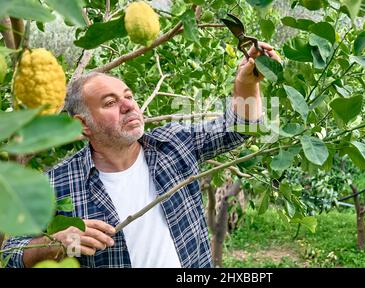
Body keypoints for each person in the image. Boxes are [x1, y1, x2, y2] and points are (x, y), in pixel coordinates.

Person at [2, 42, 281, 268]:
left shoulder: (174, 144)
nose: (127, 106)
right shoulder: (56, 183)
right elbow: (10, 255)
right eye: (110, 102)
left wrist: (245, 83)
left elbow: (240, 128)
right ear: (82, 125)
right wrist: (58, 243)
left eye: (129, 96)